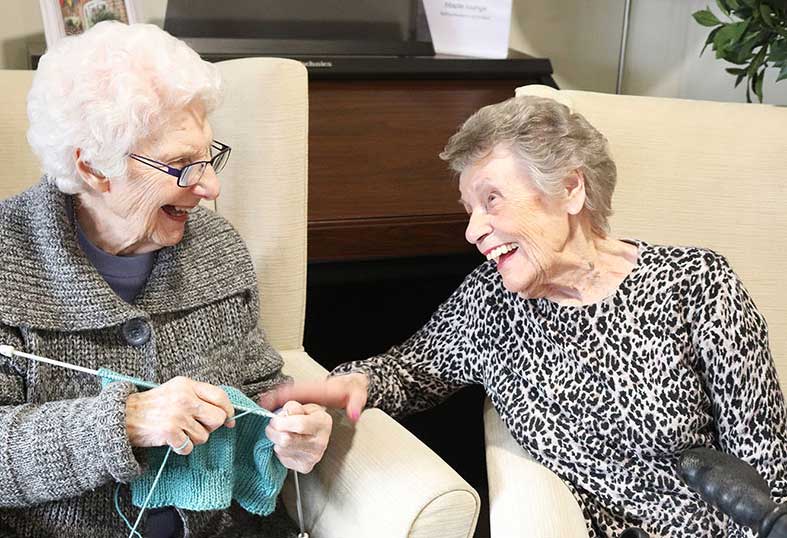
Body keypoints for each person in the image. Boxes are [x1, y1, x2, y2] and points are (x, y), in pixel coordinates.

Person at [262, 95, 787, 537]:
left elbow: (767, 462)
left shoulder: (697, 283)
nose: (472, 231)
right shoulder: (492, 302)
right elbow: (408, 371)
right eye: (469, 209)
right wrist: (351, 383)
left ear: (570, 189)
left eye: (492, 200)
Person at [0, 22, 331, 538]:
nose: (211, 186)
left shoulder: (217, 247)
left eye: (208, 156)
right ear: (94, 168)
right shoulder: (8, 259)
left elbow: (261, 385)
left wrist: (294, 424)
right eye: (181, 164)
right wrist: (125, 421)